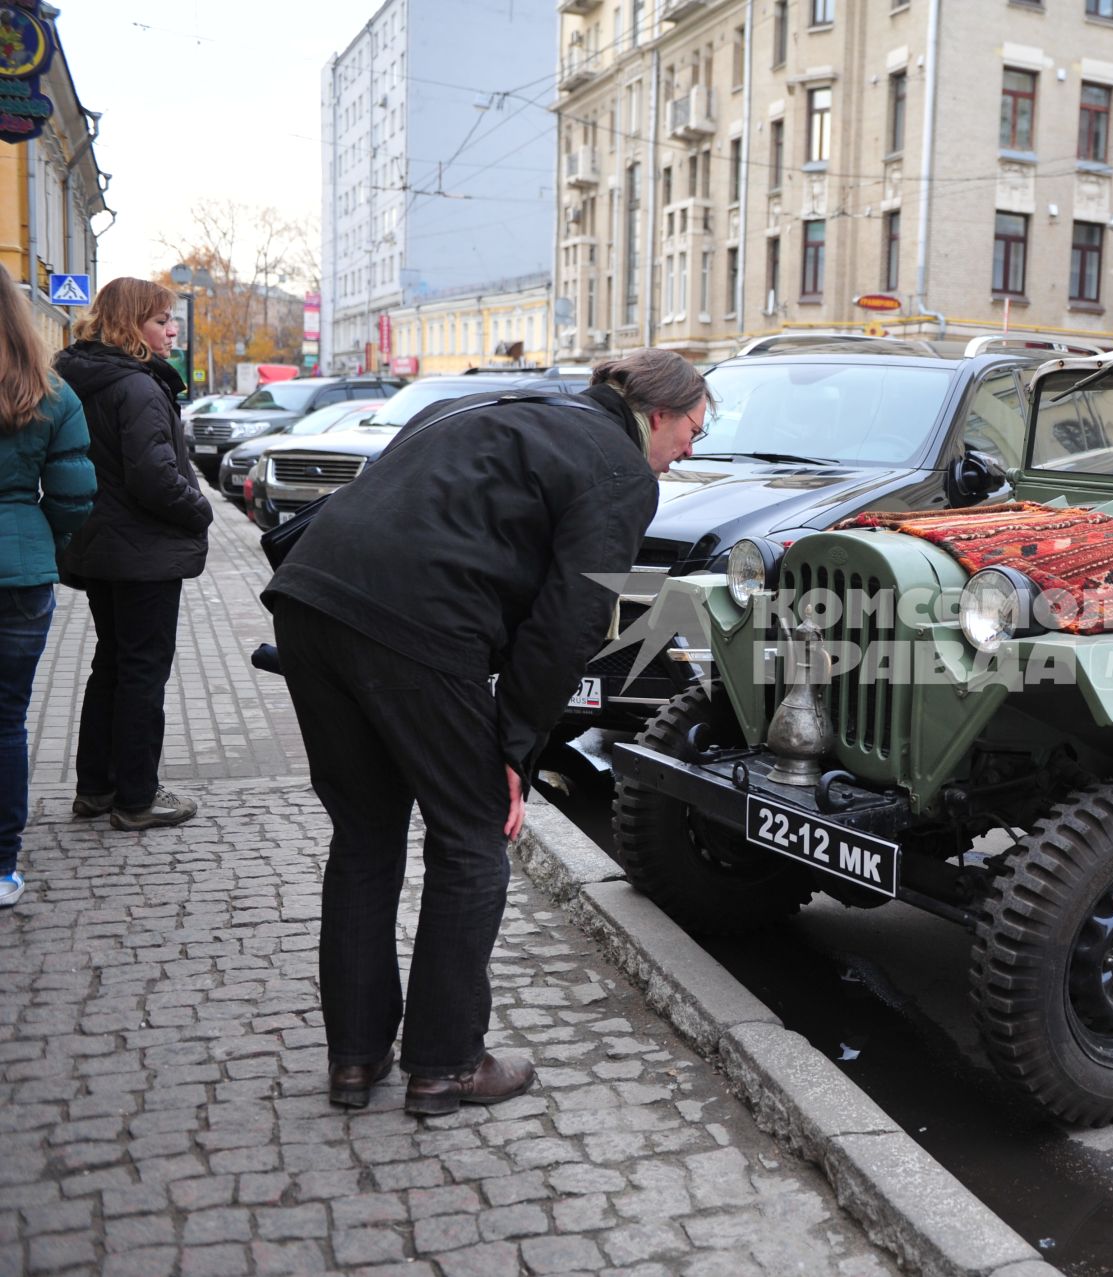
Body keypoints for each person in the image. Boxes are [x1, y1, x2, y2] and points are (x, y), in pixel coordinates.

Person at [263, 349, 705, 1115]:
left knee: (364, 838)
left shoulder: (500, 408)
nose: (691, 450)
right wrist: (513, 747)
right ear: (656, 414)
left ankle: (356, 1059)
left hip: (310, 601)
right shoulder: (620, 469)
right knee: (473, 842)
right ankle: (446, 1065)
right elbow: (568, 623)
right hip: (415, 626)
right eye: (693, 430)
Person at [54, 278, 209, 832]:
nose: (172, 331)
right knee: (142, 672)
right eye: (161, 320)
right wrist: (201, 510)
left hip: (99, 547)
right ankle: (138, 798)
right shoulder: (137, 387)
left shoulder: (78, 378)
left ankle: (96, 789)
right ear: (130, 325)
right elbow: (155, 478)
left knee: (112, 666)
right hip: (143, 552)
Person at [0, 266, 96, 908]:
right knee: (6, 722)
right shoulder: (48, 393)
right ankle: (3, 866)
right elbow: (74, 497)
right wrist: (47, 550)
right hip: (20, 572)